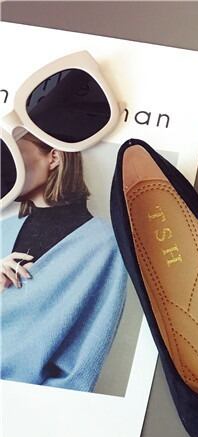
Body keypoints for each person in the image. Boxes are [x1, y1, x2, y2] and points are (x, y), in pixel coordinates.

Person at [0, 133, 127, 391]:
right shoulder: (4, 229)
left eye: (16, 154)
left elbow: (85, 359)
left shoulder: (106, 244)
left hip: (28, 403)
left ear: (54, 157)